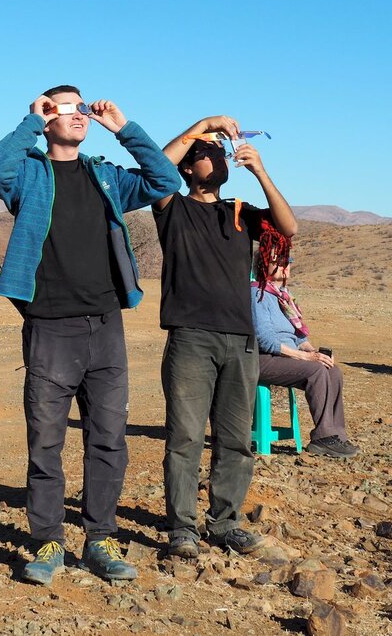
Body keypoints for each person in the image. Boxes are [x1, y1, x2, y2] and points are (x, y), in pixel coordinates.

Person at [0, 85, 181, 585]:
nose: (76, 116)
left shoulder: (105, 176)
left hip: (106, 325)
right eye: (62, 108)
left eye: (80, 108)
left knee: (109, 439)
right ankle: (48, 540)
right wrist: (31, 120)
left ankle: (100, 538)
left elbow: (164, 179)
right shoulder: (28, 172)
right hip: (50, 327)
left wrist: (124, 129)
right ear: (47, 117)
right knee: (46, 441)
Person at [153, 115, 297, 560]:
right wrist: (201, 126)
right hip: (191, 340)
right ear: (186, 169)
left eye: (217, 151)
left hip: (241, 340)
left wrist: (261, 172)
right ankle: (182, 528)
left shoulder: (239, 212)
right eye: (202, 154)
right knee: (185, 437)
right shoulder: (172, 209)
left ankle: (225, 523)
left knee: (236, 439)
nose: (212, 156)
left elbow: (288, 227)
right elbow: (155, 166)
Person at [251, 249, 359, 458]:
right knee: (316, 370)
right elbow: (265, 340)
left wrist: (315, 352)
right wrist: (305, 357)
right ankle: (322, 438)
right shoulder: (258, 294)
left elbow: (298, 337)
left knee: (332, 370)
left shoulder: (284, 297)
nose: (285, 264)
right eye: (279, 261)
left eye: (287, 260)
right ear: (265, 266)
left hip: (286, 358)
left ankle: (337, 434)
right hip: (263, 358)